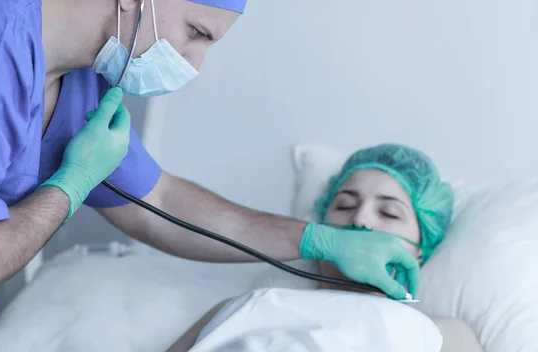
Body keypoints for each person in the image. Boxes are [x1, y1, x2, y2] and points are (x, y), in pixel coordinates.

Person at [0, 0, 419, 349]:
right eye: (197, 33)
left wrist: (318, 239)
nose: (194, 64)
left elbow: (161, 201)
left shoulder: (81, 79)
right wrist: (72, 184)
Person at [168, 144, 483, 352]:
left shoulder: (441, 334)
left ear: (420, 249)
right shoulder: (244, 307)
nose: (360, 220)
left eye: (388, 213)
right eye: (344, 206)